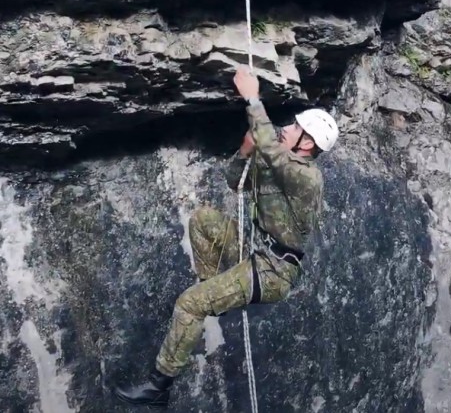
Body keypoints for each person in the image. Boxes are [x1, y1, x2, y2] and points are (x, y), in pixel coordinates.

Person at [113, 66, 338, 408]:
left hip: (272, 271)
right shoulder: (278, 167)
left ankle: (158, 387)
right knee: (204, 219)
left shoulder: (307, 178)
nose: (285, 128)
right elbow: (235, 181)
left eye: (294, 127)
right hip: (253, 252)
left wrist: (252, 96)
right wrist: (244, 152)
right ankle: (214, 288)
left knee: (190, 303)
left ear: (307, 143)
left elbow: (273, 152)